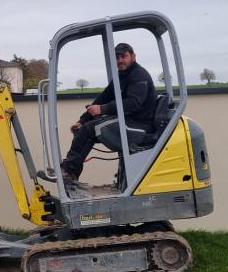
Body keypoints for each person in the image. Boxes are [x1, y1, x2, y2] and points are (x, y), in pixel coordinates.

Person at [60, 42, 157, 183]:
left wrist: (102, 109)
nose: (120, 60)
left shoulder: (139, 76)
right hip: (129, 120)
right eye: (117, 57)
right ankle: (70, 171)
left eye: (124, 56)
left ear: (133, 56)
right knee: (86, 129)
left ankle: (69, 171)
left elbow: (133, 104)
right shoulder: (121, 76)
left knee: (90, 130)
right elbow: (103, 97)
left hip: (140, 124)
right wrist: (82, 120)